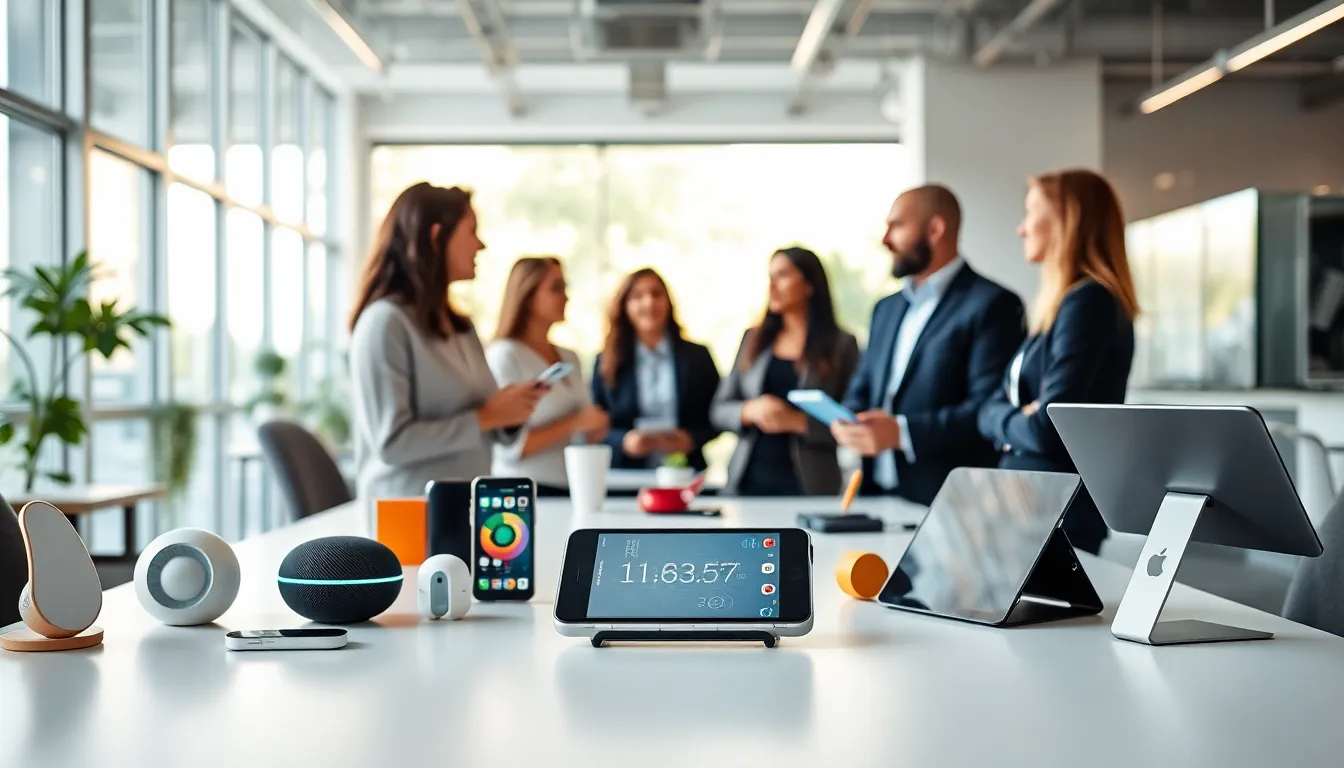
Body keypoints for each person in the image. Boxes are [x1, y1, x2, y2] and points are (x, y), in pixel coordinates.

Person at [348, 182, 545, 504]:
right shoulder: (385, 324)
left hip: (467, 511)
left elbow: (487, 423)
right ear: (436, 237)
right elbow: (392, 443)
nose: (480, 245)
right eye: (471, 231)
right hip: (406, 516)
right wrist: (486, 417)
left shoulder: (461, 327)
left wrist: (511, 411)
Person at [977, 169, 1139, 555]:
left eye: (1031, 211)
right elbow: (988, 408)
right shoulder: (1056, 308)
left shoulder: (1089, 303)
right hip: (1026, 503)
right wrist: (1017, 417)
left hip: (1056, 511)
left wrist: (1006, 421)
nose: (1021, 228)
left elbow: (1048, 429)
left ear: (1068, 220)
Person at [834, 185, 1025, 506]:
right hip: (872, 495)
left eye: (896, 226)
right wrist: (848, 420)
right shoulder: (886, 308)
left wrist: (902, 433)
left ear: (935, 229)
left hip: (947, 504)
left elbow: (986, 409)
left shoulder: (993, 305)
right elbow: (863, 386)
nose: (885, 239)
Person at [713, 247, 860, 496]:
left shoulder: (841, 345)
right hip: (747, 482)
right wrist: (750, 410)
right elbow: (718, 410)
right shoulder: (753, 340)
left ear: (809, 285)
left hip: (810, 485)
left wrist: (797, 422)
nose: (772, 286)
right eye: (769, 277)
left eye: (782, 276)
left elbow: (856, 423)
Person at [486, 257, 609, 494]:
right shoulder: (505, 356)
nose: (566, 296)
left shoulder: (569, 356)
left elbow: (583, 430)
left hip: (571, 486)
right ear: (527, 296)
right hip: (523, 491)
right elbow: (508, 448)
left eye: (565, 287)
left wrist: (593, 428)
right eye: (556, 288)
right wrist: (574, 423)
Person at [591, 268, 721, 472]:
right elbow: (594, 423)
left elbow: (717, 414)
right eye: (638, 296)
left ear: (668, 302)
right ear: (624, 306)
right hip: (624, 474)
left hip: (685, 471)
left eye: (656, 294)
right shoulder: (607, 361)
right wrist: (624, 441)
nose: (649, 303)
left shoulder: (697, 357)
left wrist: (690, 439)